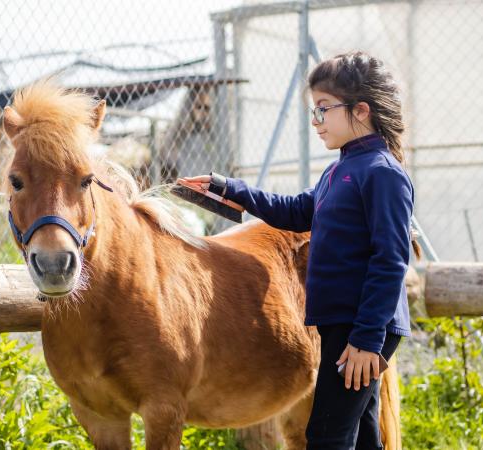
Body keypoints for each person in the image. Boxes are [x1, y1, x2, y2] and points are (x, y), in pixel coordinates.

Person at [180, 50, 419, 449]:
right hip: (344, 323)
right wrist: (230, 188)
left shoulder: (382, 173)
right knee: (360, 435)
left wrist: (366, 340)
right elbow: (296, 211)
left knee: (327, 435)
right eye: (314, 110)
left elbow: (391, 260)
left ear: (360, 110)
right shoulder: (340, 170)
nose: (316, 121)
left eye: (324, 109)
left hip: (361, 326)